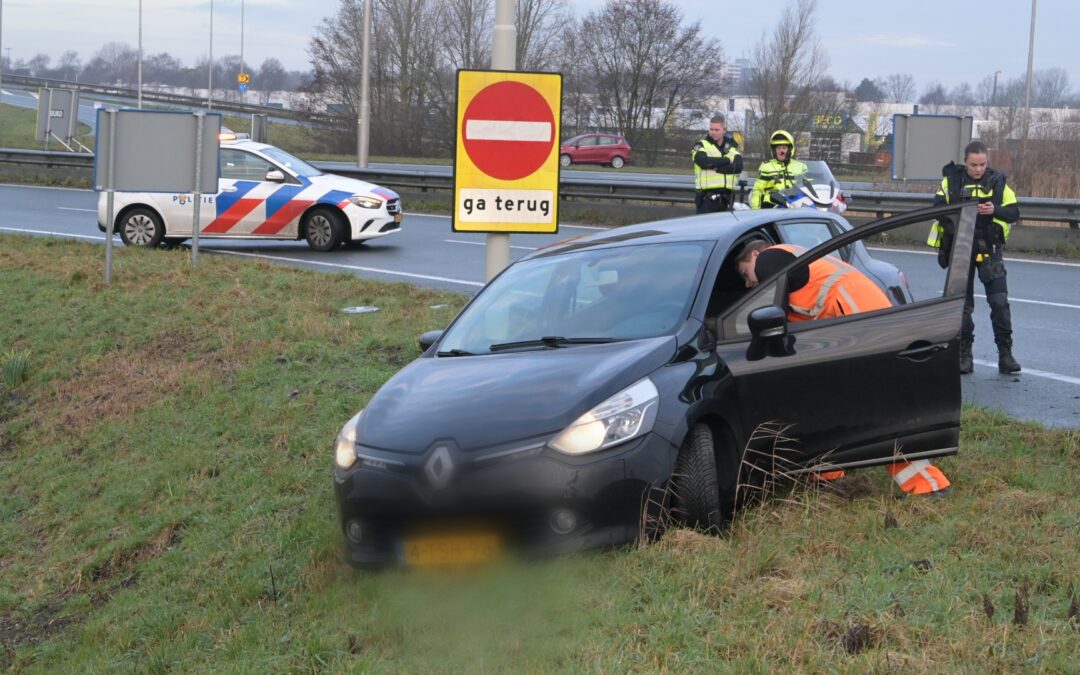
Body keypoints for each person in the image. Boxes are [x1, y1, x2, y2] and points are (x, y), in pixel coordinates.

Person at [735, 241, 951, 495]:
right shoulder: (792, 265)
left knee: (875, 409)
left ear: (754, 254)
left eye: (745, 273)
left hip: (859, 318)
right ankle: (826, 473)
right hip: (855, 317)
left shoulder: (768, 259)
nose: (749, 283)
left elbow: (775, 317)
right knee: (830, 403)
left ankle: (928, 485)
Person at [927, 141, 1021, 375]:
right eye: (974, 165)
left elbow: (1014, 213)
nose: (979, 169)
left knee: (999, 303)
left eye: (983, 164)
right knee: (963, 305)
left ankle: (1006, 355)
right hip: (961, 248)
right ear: (965, 162)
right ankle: (964, 355)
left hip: (990, 250)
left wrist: (994, 210)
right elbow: (937, 206)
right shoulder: (952, 181)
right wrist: (960, 208)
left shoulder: (998, 182)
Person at [691, 114, 743, 213]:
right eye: (711, 129)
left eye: (717, 130)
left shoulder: (732, 147)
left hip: (727, 201)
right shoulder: (701, 145)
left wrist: (718, 169)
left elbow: (738, 167)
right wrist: (727, 161)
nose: (713, 132)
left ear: (724, 130)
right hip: (707, 200)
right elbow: (703, 162)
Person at [750, 130, 808, 209]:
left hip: (796, 206)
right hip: (772, 207)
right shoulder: (766, 166)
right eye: (778, 148)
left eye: (784, 148)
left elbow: (808, 188)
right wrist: (755, 211)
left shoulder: (801, 166)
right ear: (774, 151)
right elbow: (757, 190)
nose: (781, 151)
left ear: (790, 150)